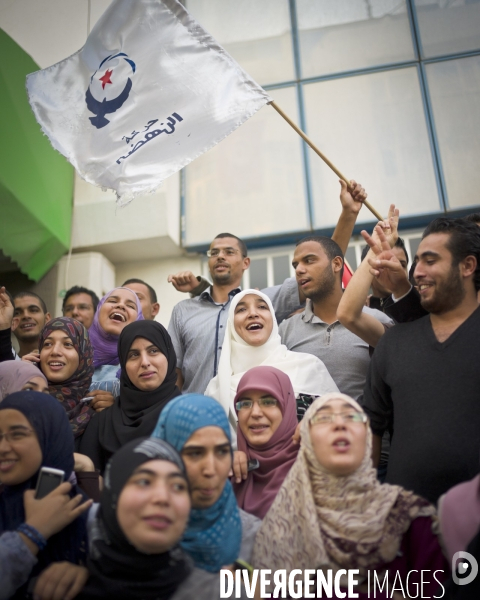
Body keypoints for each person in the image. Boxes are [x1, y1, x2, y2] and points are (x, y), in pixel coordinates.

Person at [167, 182, 368, 395]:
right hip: (196, 418)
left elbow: (322, 266)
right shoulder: (184, 311)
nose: (220, 256)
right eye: (214, 253)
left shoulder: (264, 300)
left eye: (229, 252)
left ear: (246, 263)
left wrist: (348, 213)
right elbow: (173, 372)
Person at [252, 393, 448, 599]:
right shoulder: (284, 524)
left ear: (367, 437)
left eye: (352, 417)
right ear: (307, 440)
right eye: (324, 418)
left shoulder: (410, 518)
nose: (339, 424)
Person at [34, 438, 250, 600]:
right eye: (144, 482)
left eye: (177, 486)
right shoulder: (58, 587)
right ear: (112, 496)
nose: (162, 498)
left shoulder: (218, 591)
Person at [363, 217, 480, 503]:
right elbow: (371, 428)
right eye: (416, 262)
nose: (417, 272)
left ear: (467, 266)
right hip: (408, 526)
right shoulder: (392, 342)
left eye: (430, 261)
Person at [0, 391, 92, 599]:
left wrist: (94, 579)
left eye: (17, 434)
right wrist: (32, 533)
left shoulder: (91, 520)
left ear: (50, 437)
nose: (2, 447)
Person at [152, 394, 258, 571]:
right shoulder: (137, 529)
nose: (210, 470)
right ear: (167, 455)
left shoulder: (252, 535)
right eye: (194, 453)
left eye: (222, 452)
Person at [279, 236, 392, 400]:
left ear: (337, 264)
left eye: (309, 260)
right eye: (296, 265)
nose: (299, 270)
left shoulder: (378, 320)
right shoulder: (285, 330)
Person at [205, 289, 338, 423]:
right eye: (241, 310)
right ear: (231, 325)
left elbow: (338, 422)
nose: (252, 314)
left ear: (273, 319)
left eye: (262, 307)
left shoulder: (308, 367)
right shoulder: (217, 388)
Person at [80, 320, 180, 473]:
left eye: (153, 351)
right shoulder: (103, 422)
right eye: (133, 355)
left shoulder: (187, 416)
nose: (145, 362)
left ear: (168, 355)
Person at [232, 366, 299, 519]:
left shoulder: (313, 464)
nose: (255, 413)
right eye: (245, 403)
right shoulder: (230, 472)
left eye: (268, 402)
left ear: (287, 407)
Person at [35, 317, 95, 445]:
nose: (55, 351)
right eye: (48, 344)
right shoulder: (19, 403)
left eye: (68, 344)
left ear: (84, 355)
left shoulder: (97, 412)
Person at [87, 286, 144, 402]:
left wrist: (117, 408)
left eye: (130, 306)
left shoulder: (144, 361)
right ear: (98, 310)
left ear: (138, 318)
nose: (121, 306)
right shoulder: (73, 353)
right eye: (112, 301)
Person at [12, 292, 51, 358]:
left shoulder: (64, 362)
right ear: (10, 323)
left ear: (47, 319)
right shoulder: (5, 365)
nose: (26, 316)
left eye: (33, 310)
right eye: (17, 313)